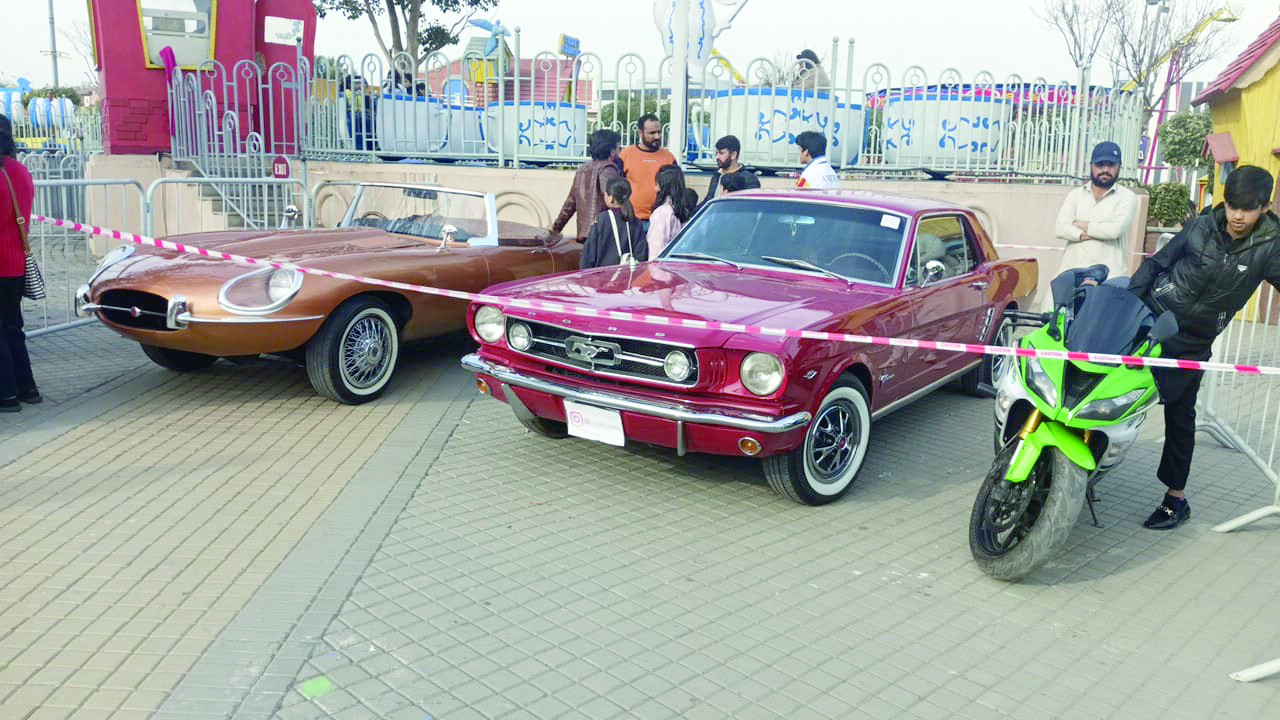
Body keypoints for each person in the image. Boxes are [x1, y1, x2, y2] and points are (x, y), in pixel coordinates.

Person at [1127, 165, 1280, 530]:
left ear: (1265, 206)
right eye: (1232, 206)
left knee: (1180, 415)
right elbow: (1158, 264)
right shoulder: (1201, 225)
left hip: (1193, 342)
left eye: (1248, 208)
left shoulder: (1270, 247)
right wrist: (1129, 307)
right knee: (1103, 390)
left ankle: (1175, 499)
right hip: (1153, 319)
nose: (1238, 216)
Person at [1052, 141, 1138, 292]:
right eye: (1100, 165)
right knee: (1059, 315)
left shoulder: (1127, 197)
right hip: (1072, 273)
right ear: (1091, 165)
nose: (1105, 170)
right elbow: (1059, 228)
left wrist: (1079, 224)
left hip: (1109, 278)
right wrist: (1095, 232)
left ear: (1119, 166)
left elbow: (1114, 230)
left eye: (1111, 165)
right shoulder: (1075, 195)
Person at [0, 114, 39, 412]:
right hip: (15, 261)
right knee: (13, 327)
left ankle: (7, 395)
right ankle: (28, 388)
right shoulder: (20, 171)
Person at [551, 129, 622, 242]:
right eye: (619, 148)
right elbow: (613, 199)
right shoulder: (608, 169)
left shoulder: (582, 170)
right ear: (612, 151)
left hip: (584, 233)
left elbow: (569, 205)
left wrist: (555, 228)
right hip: (603, 234)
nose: (620, 152)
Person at [619, 113, 677, 230]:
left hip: (661, 221)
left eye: (659, 132)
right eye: (652, 133)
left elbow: (677, 188)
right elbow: (617, 187)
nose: (657, 136)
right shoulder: (625, 155)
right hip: (632, 220)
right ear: (640, 133)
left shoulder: (669, 157)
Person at [581, 177, 648, 269]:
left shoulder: (601, 220)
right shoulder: (636, 222)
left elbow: (588, 257)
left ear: (610, 198)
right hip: (628, 279)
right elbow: (642, 256)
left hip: (603, 279)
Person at [647, 164, 695, 258]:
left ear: (663, 187)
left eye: (657, 184)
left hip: (662, 268)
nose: (655, 189)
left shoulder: (661, 214)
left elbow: (656, 250)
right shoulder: (684, 211)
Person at [702, 135, 760, 205]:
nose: (717, 157)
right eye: (716, 153)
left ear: (733, 155)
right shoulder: (717, 175)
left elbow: (750, 206)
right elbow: (708, 200)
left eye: (721, 153)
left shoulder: (748, 180)